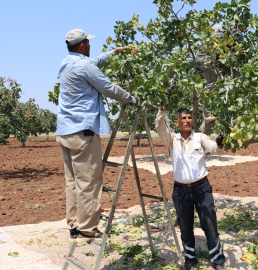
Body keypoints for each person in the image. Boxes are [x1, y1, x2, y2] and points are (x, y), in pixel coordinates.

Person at [56, 29, 138, 243]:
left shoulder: (67, 63)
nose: (90, 46)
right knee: (90, 182)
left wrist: (113, 52)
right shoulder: (85, 66)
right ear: (82, 45)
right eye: (88, 43)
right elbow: (108, 87)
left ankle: (74, 224)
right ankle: (88, 228)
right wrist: (131, 99)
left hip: (66, 132)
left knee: (73, 181)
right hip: (83, 133)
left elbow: (93, 64)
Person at [155, 105, 226, 270]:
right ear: (177, 122)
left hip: (202, 189)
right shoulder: (172, 139)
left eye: (189, 117)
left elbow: (213, 148)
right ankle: (190, 257)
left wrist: (220, 144)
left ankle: (217, 258)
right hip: (181, 190)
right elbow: (159, 127)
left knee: (209, 223)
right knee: (185, 226)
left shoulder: (200, 137)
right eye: (184, 118)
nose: (187, 121)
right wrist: (162, 110)